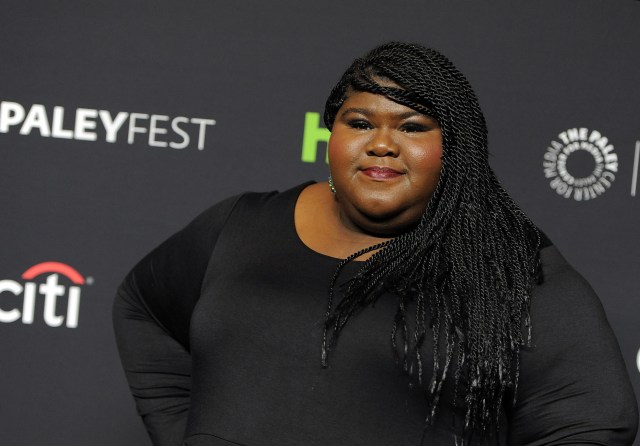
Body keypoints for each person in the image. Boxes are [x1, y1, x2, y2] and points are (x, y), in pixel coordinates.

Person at [113, 42, 638, 446]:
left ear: (455, 148)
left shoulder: (505, 261)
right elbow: (141, 307)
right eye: (360, 122)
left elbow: (592, 420)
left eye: (411, 126)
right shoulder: (242, 223)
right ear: (332, 135)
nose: (381, 143)